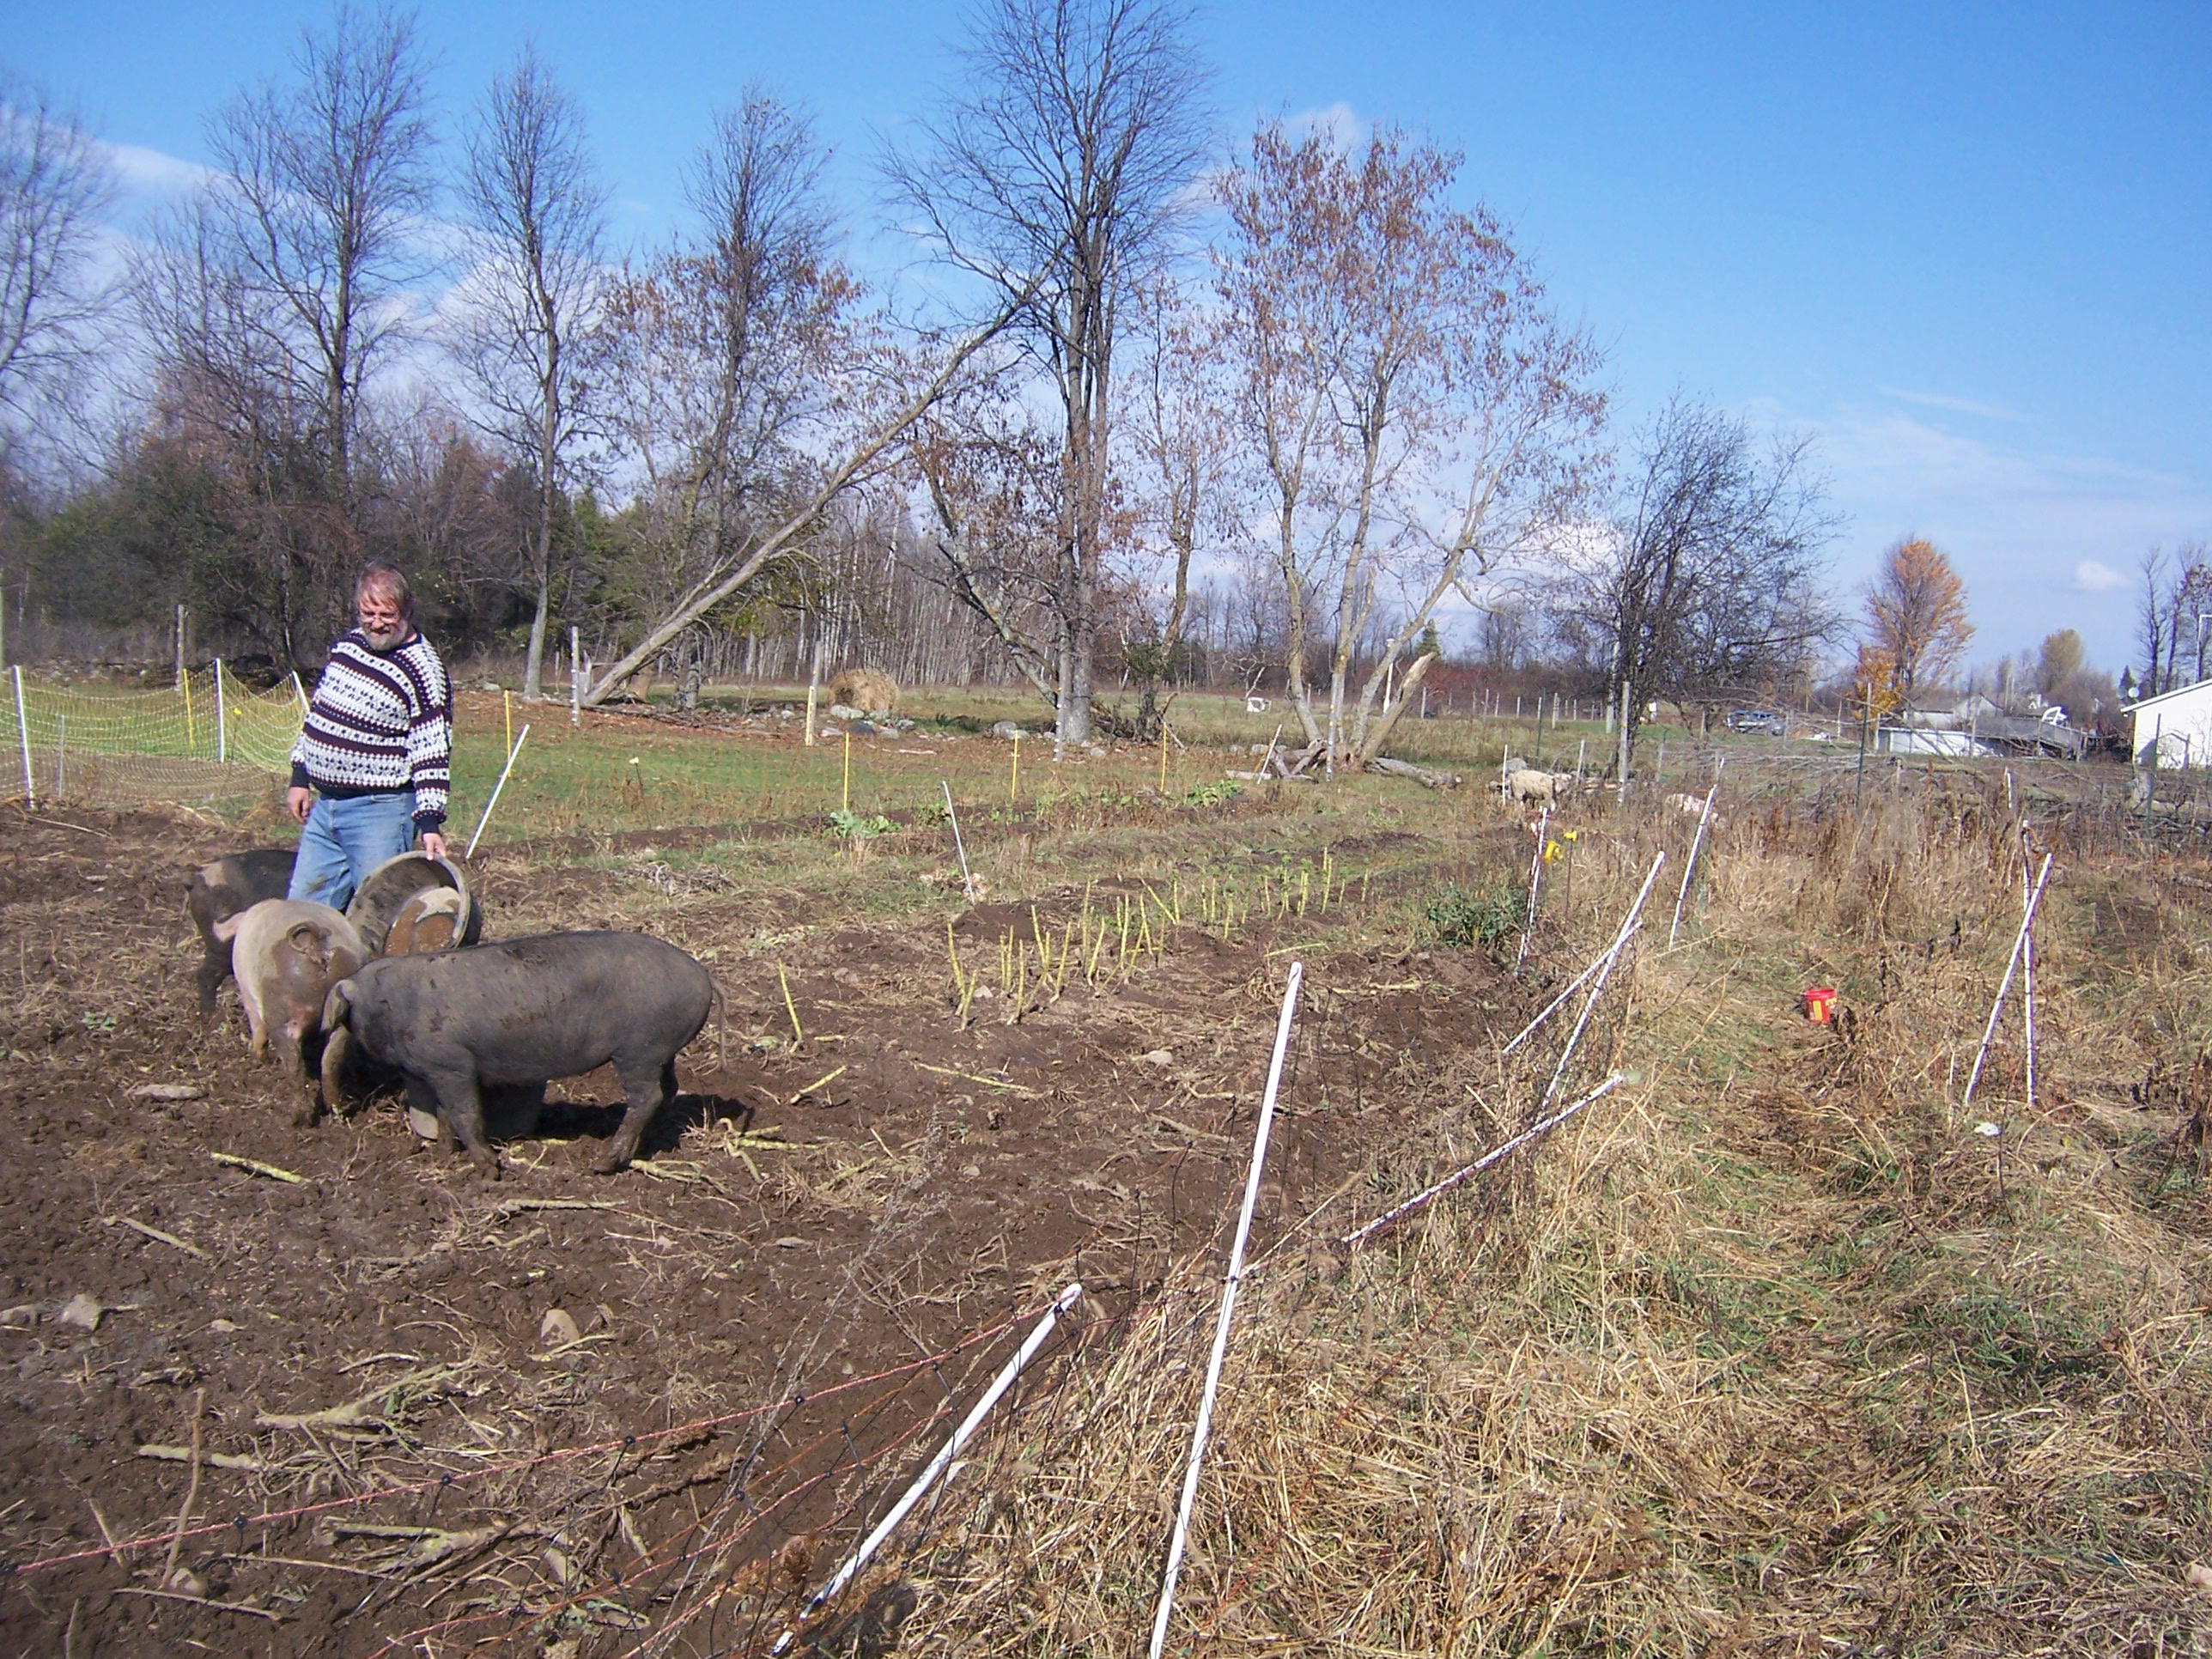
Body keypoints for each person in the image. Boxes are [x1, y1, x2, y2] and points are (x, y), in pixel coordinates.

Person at [286, 562, 452, 910]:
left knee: (378, 915)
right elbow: (320, 715)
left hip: (380, 812)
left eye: (386, 615)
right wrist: (300, 776)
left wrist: (430, 821)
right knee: (303, 913)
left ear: (406, 611)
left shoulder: (424, 670)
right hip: (326, 806)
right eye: (368, 613)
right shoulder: (348, 646)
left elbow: (432, 750)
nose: (376, 623)